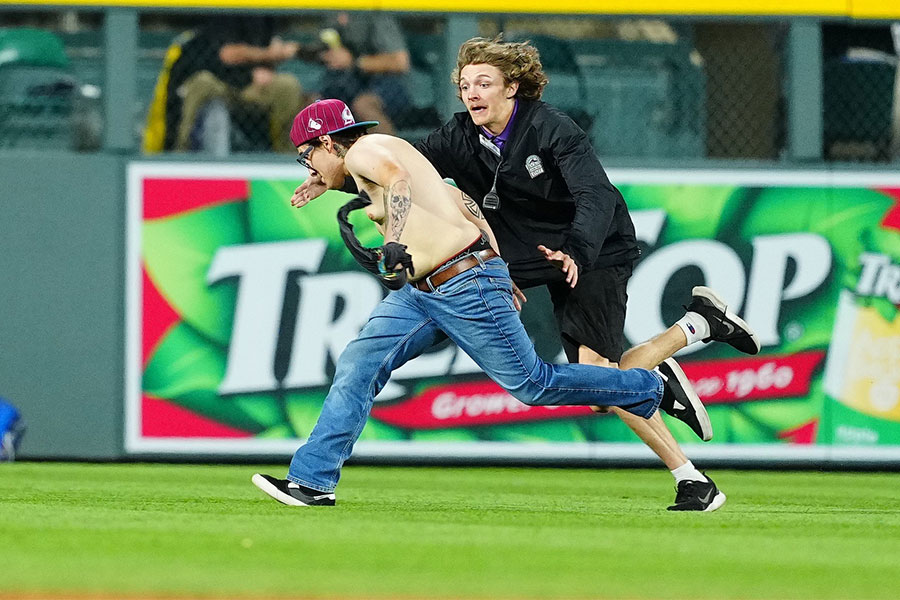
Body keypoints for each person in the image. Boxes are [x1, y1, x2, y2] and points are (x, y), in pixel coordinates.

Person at [293, 38, 760, 510]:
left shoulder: (553, 128)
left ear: (512, 87)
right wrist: (334, 177)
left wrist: (576, 250)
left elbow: (595, 195)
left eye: (483, 83)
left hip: (593, 248)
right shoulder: (459, 136)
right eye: (464, 85)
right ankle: (693, 349)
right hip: (517, 251)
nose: (471, 93)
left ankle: (689, 416)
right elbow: (405, 172)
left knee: (596, 380)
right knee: (595, 384)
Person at [143, 16, 303, 155]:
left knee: (288, 85)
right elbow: (228, 54)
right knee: (202, 83)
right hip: (220, 81)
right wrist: (270, 54)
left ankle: (286, 155)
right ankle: (179, 151)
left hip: (252, 85)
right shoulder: (224, 11)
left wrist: (268, 63)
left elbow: (268, 43)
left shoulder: (265, 11)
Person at [314, 11, 412, 135]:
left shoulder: (375, 12)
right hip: (346, 82)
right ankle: (299, 154)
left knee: (363, 105)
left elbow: (401, 62)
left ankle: (390, 152)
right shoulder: (331, 12)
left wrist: (354, 62)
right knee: (314, 104)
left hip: (387, 83)